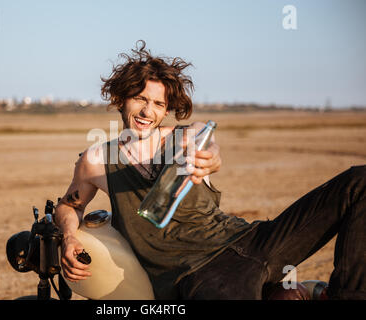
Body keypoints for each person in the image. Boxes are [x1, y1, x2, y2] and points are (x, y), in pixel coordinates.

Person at [54, 40, 365, 300]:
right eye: (140, 99)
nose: (148, 112)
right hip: (199, 272)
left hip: (251, 240)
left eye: (159, 104)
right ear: (121, 99)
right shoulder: (96, 160)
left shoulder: (184, 137)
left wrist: (211, 158)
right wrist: (69, 236)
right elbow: (70, 205)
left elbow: (205, 141)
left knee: (359, 182)